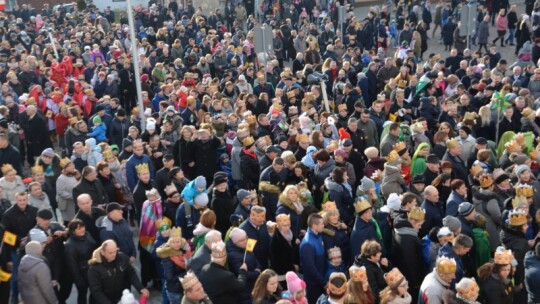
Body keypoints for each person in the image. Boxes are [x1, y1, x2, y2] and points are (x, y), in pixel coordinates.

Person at [64, 219, 97, 304]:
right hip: (82, 273)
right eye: (78, 228)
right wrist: (79, 280)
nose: (82, 229)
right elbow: (72, 265)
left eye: (82, 227)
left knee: (95, 292)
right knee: (82, 294)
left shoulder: (87, 234)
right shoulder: (70, 245)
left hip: (92, 268)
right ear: (72, 231)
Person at [156, 227, 192, 303]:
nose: (176, 244)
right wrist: (187, 273)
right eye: (173, 242)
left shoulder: (182, 250)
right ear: (169, 242)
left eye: (178, 242)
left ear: (181, 242)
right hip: (175, 291)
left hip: (183, 287)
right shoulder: (167, 256)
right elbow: (169, 277)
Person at [300, 213, 326, 303]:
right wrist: (323, 283)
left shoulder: (318, 236)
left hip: (320, 282)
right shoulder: (308, 243)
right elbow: (311, 268)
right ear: (314, 226)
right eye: (321, 224)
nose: (323, 225)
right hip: (314, 286)